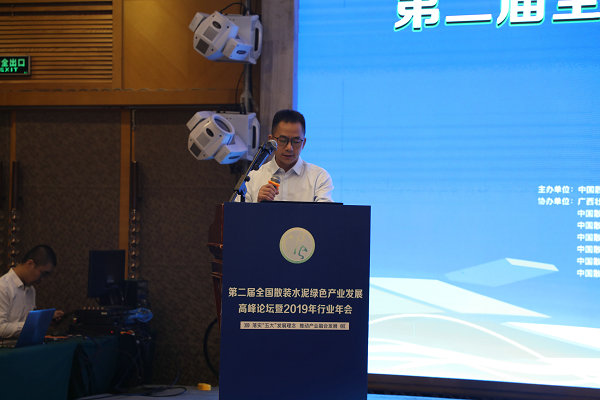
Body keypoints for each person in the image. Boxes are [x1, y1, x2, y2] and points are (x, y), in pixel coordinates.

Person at [241, 109, 334, 203]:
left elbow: (325, 212)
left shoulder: (319, 177)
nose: (289, 148)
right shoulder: (252, 177)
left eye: (296, 141)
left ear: (303, 143)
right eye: (283, 140)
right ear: (271, 140)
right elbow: (238, 211)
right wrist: (257, 205)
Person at [0, 245, 64, 339]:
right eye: (43, 273)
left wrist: (46, 319)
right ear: (30, 264)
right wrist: (38, 321)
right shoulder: (3, 287)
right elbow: (1, 329)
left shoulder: (31, 290)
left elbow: (27, 324)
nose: (42, 279)